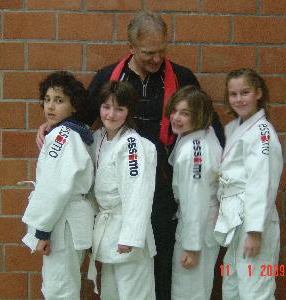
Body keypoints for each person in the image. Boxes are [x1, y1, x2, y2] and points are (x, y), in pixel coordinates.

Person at [36, 11, 225, 299]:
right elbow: (80, 119)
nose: (157, 59)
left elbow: (209, 124)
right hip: (120, 189)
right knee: (118, 273)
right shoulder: (107, 78)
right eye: (149, 52)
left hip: (165, 186)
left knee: (161, 262)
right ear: (131, 47)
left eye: (162, 50)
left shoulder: (182, 77)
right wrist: (53, 126)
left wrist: (217, 179)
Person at [21, 71, 95, 300]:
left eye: (59, 100)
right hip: (67, 220)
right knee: (63, 286)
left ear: (74, 106)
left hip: (62, 224)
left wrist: (43, 230)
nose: (50, 106)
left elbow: (56, 188)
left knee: (59, 290)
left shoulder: (63, 136)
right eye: (48, 99)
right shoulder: (71, 132)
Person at [214, 68, 283, 299]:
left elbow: (262, 182)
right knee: (232, 286)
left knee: (255, 290)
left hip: (254, 222)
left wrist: (255, 231)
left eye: (245, 92)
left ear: (258, 93)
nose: (239, 99)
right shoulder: (234, 128)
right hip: (235, 219)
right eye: (233, 94)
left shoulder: (262, 132)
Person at [88, 80, 157, 300]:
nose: (111, 114)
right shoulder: (98, 137)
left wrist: (131, 237)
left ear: (129, 112)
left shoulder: (132, 145)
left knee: (133, 294)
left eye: (119, 108)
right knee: (111, 293)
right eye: (106, 107)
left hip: (128, 235)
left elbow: (139, 193)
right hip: (110, 232)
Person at [166, 86, 222, 300]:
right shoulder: (201, 135)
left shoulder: (193, 151)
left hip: (197, 229)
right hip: (202, 225)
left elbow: (194, 200)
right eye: (175, 110)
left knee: (188, 292)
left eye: (185, 113)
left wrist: (192, 246)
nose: (176, 118)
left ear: (199, 116)